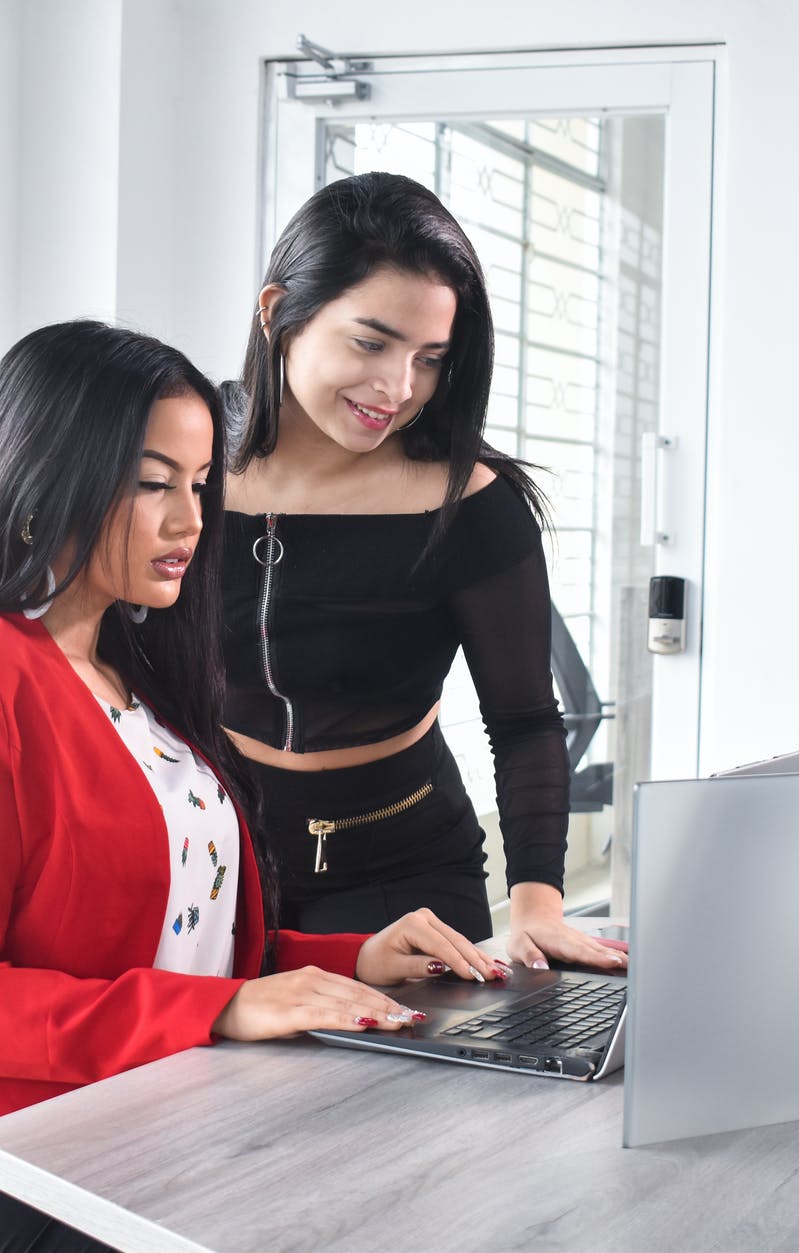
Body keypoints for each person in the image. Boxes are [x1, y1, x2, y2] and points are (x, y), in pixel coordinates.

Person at [0, 320, 504, 1253]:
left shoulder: (134, 674)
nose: (190, 520)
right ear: (46, 479)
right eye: (154, 485)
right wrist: (224, 1009)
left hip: (127, 1125)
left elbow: (167, 943)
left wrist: (352, 958)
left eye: (198, 485)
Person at [220, 172, 627, 972]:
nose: (398, 389)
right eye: (371, 343)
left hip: (405, 876)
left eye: (430, 358)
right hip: (214, 859)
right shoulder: (182, 461)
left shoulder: (469, 502)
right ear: (279, 313)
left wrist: (538, 899)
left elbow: (526, 720)